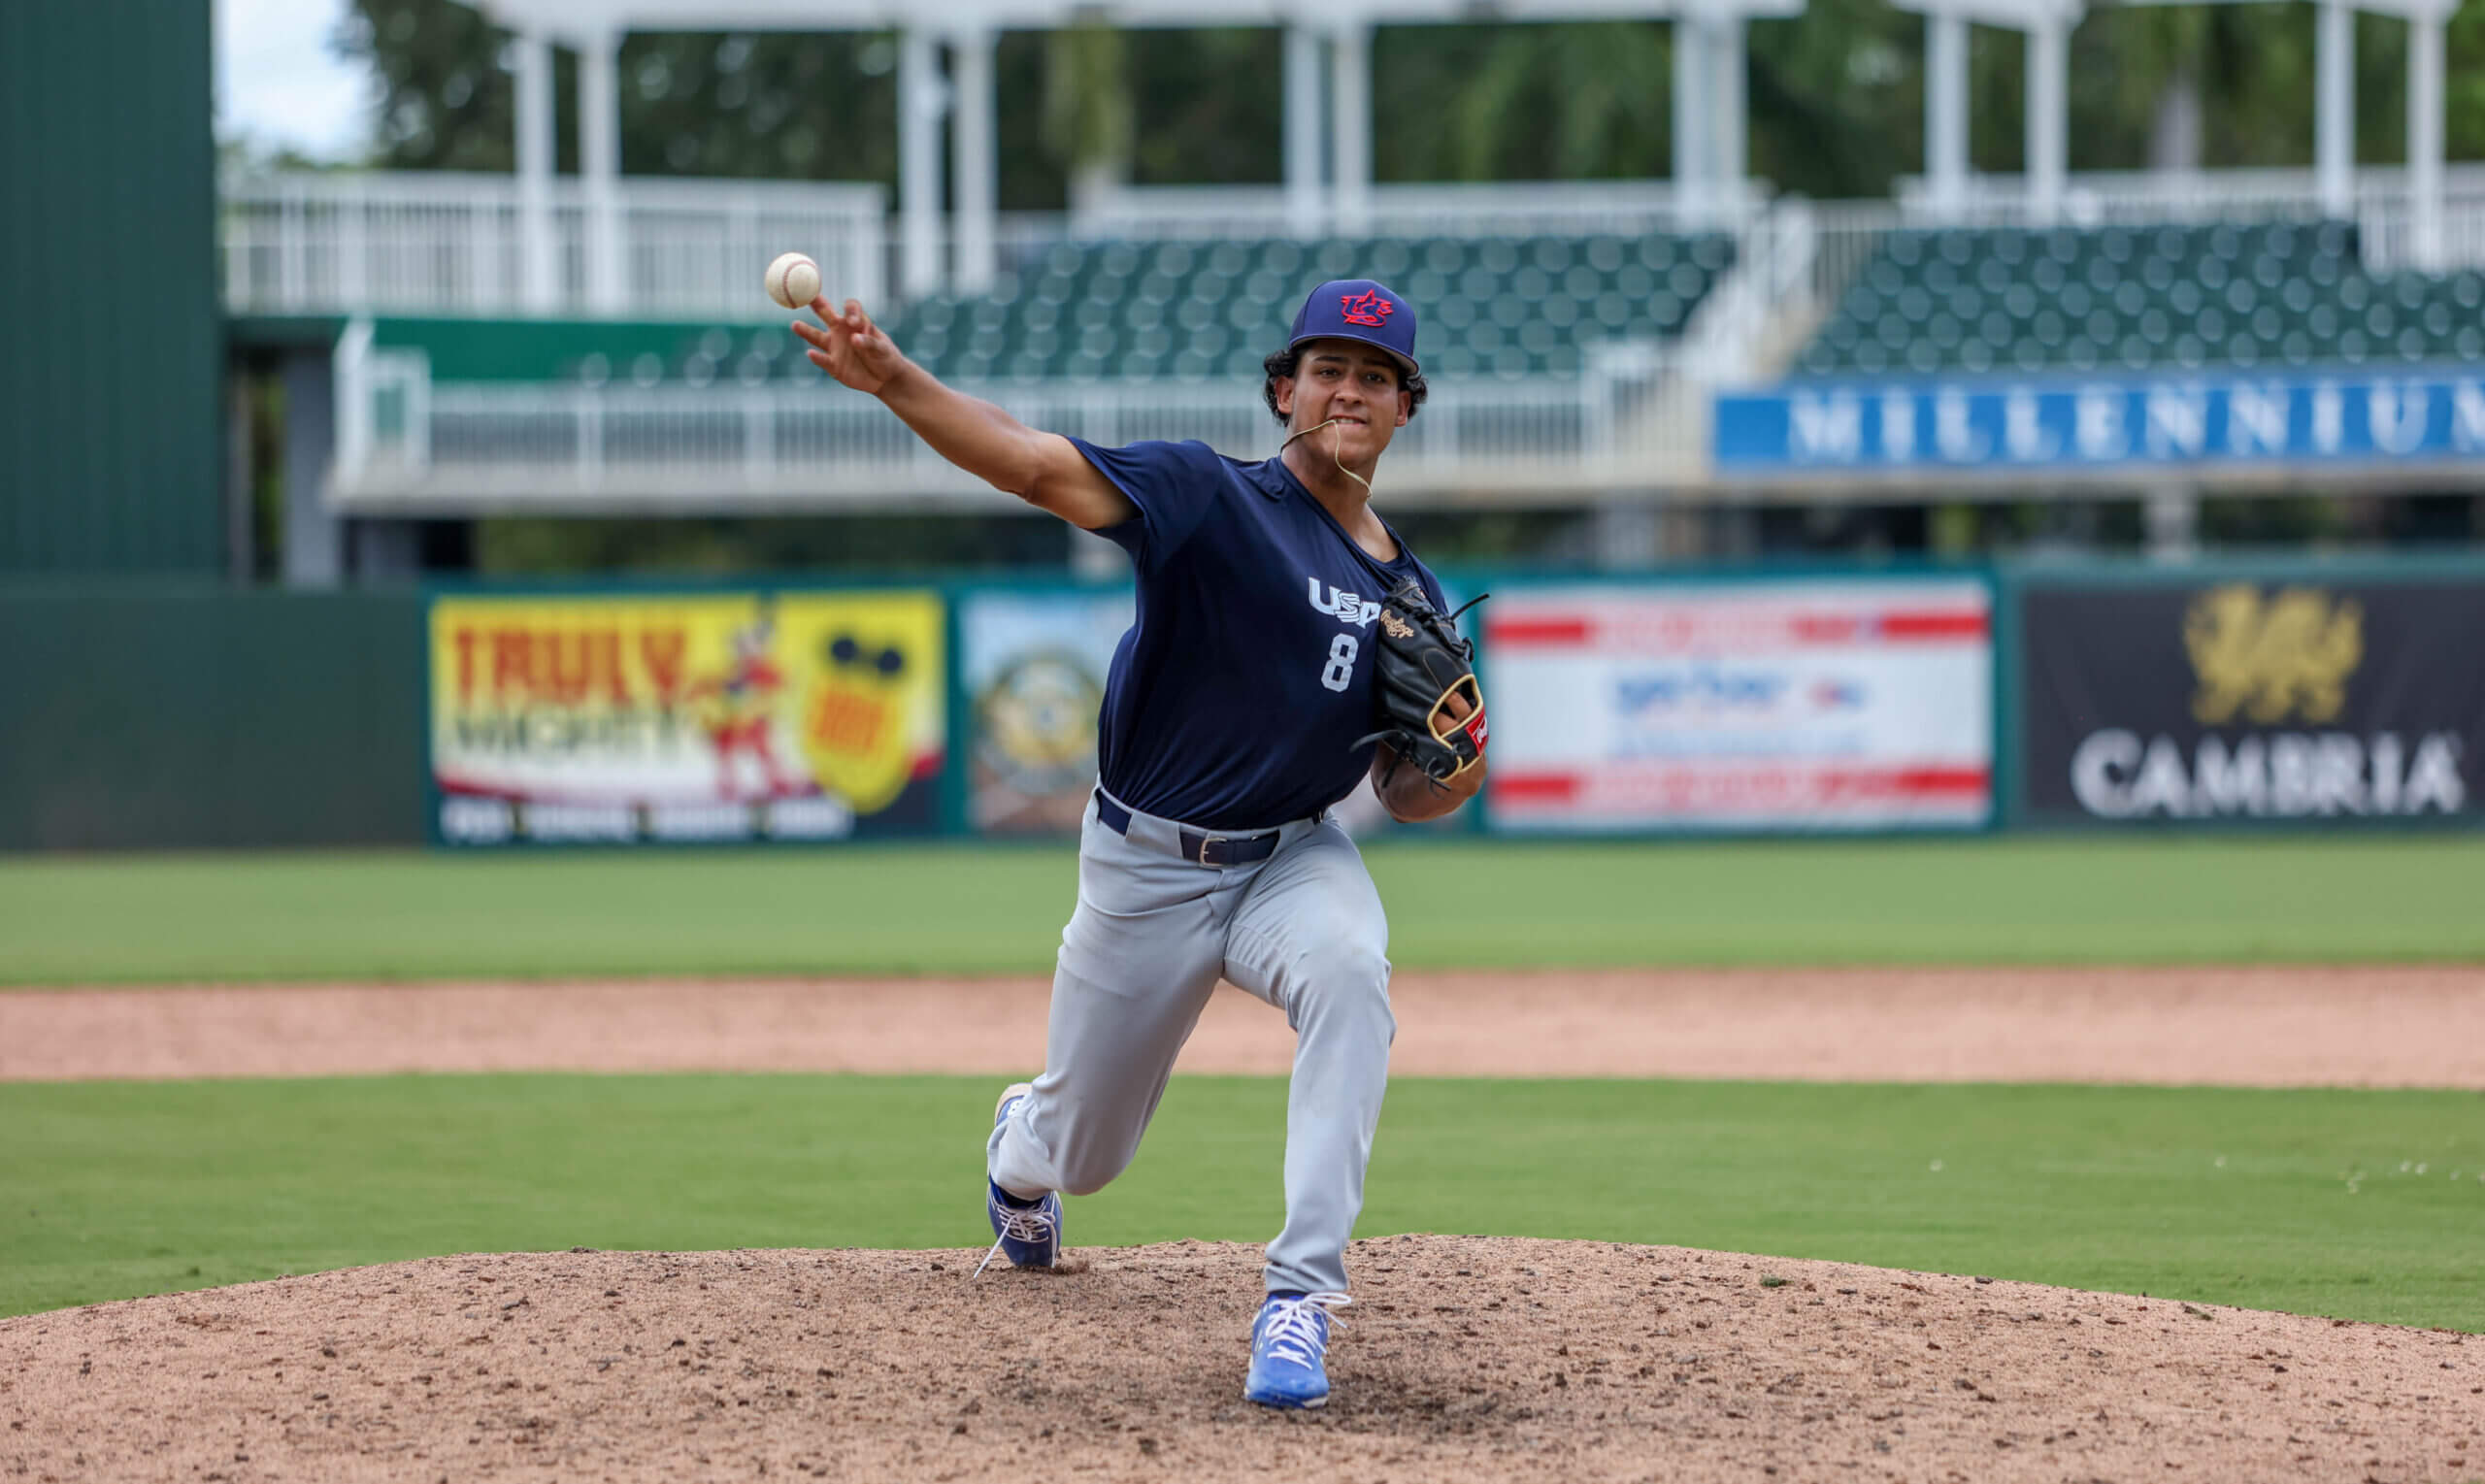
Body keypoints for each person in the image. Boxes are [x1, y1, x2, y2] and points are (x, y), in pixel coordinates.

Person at [793, 277, 1486, 1410]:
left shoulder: (1409, 593)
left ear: (1405, 405)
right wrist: (897, 382)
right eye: (1326, 368)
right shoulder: (1207, 494)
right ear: (1284, 390)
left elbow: (1407, 794)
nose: (1348, 389)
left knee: (1354, 974)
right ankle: (1021, 1147)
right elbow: (1026, 462)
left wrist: (1457, 764)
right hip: (1146, 865)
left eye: (1374, 376)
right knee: (1085, 1152)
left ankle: (1299, 1299)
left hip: (1292, 859)